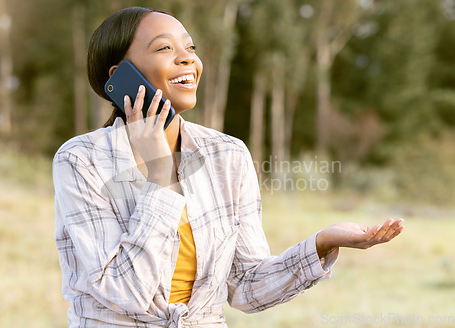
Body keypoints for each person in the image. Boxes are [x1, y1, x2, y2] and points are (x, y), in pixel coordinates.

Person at [53, 7, 404, 328]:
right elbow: (123, 292)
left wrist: (322, 243)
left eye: (190, 49)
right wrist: (161, 176)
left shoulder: (227, 154)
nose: (187, 60)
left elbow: (247, 288)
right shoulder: (82, 161)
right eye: (164, 49)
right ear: (121, 76)